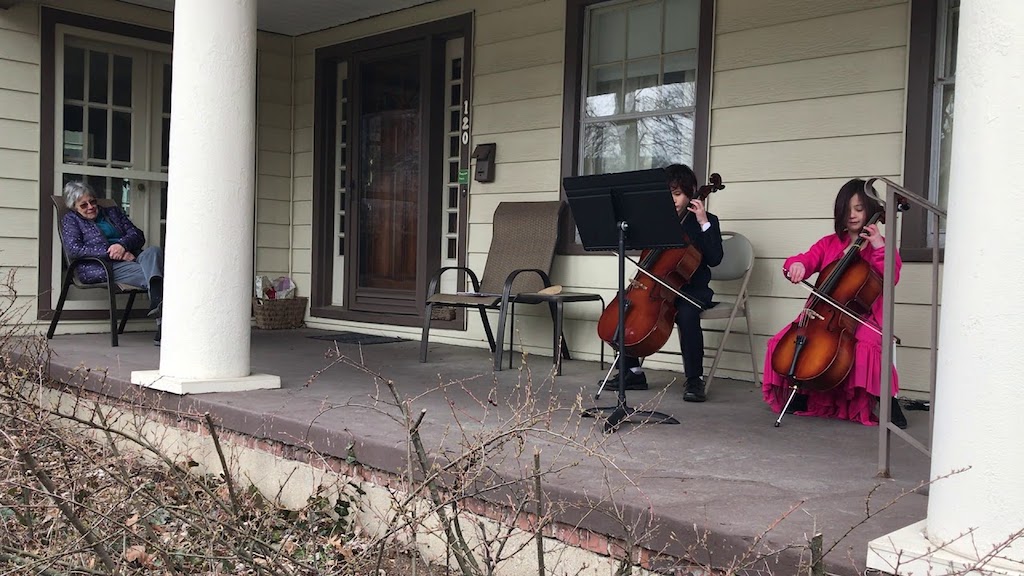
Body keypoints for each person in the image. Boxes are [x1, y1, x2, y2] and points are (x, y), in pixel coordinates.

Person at [761, 178, 907, 428]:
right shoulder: (829, 243)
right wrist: (795, 265)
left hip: (863, 316)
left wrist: (879, 245)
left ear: (871, 210)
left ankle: (888, 402)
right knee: (783, 341)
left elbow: (890, 277)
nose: (852, 215)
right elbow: (805, 260)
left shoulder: (878, 247)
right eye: (846, 209)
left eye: (859, 209)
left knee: (867, 347)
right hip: (819, 314)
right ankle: (804, 394)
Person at [604, 163, 724, 402]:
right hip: (657, 288)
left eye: (678, 194)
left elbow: (715, 258)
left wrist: (703, 222)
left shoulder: (707, 221)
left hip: (692, 290)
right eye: (668, 193)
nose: (673, 199)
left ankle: (694, 380)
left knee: (687, 315)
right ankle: (633, 372)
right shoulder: (658, 221)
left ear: (690, 193)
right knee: (624, 309)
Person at [60, 181, 165, 345]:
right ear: (74, 207)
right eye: (84, 205)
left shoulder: (112, 212)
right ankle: (162, 328)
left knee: (154, 252)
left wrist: (122, 246)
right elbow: (75, 249)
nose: (90, 207)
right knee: (158, 276)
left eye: (93, 201)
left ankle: (156, 304)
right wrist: (113, 252)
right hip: (103, 266)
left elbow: (137, 234)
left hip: (132, 255)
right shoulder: (71, 220)